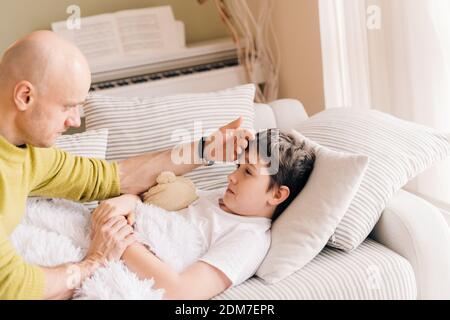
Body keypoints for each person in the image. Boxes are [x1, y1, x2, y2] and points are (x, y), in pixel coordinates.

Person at [0, 30, 253, 300]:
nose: (74, 120)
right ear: (25, 96)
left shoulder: (29, 153)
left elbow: (114, 177)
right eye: (67, 107)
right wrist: (93, 261)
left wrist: (205, 149)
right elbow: (11, 286)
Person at [92, 129, 316, 299]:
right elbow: (156, 201)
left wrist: (117, 239)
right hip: (109, 234)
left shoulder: (248, 238)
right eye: (237, 166)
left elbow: (181, 292)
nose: (232, 177)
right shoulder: (221, 198)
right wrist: (128, 201)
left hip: (117, 253)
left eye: (248, 172)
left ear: (277, 195)